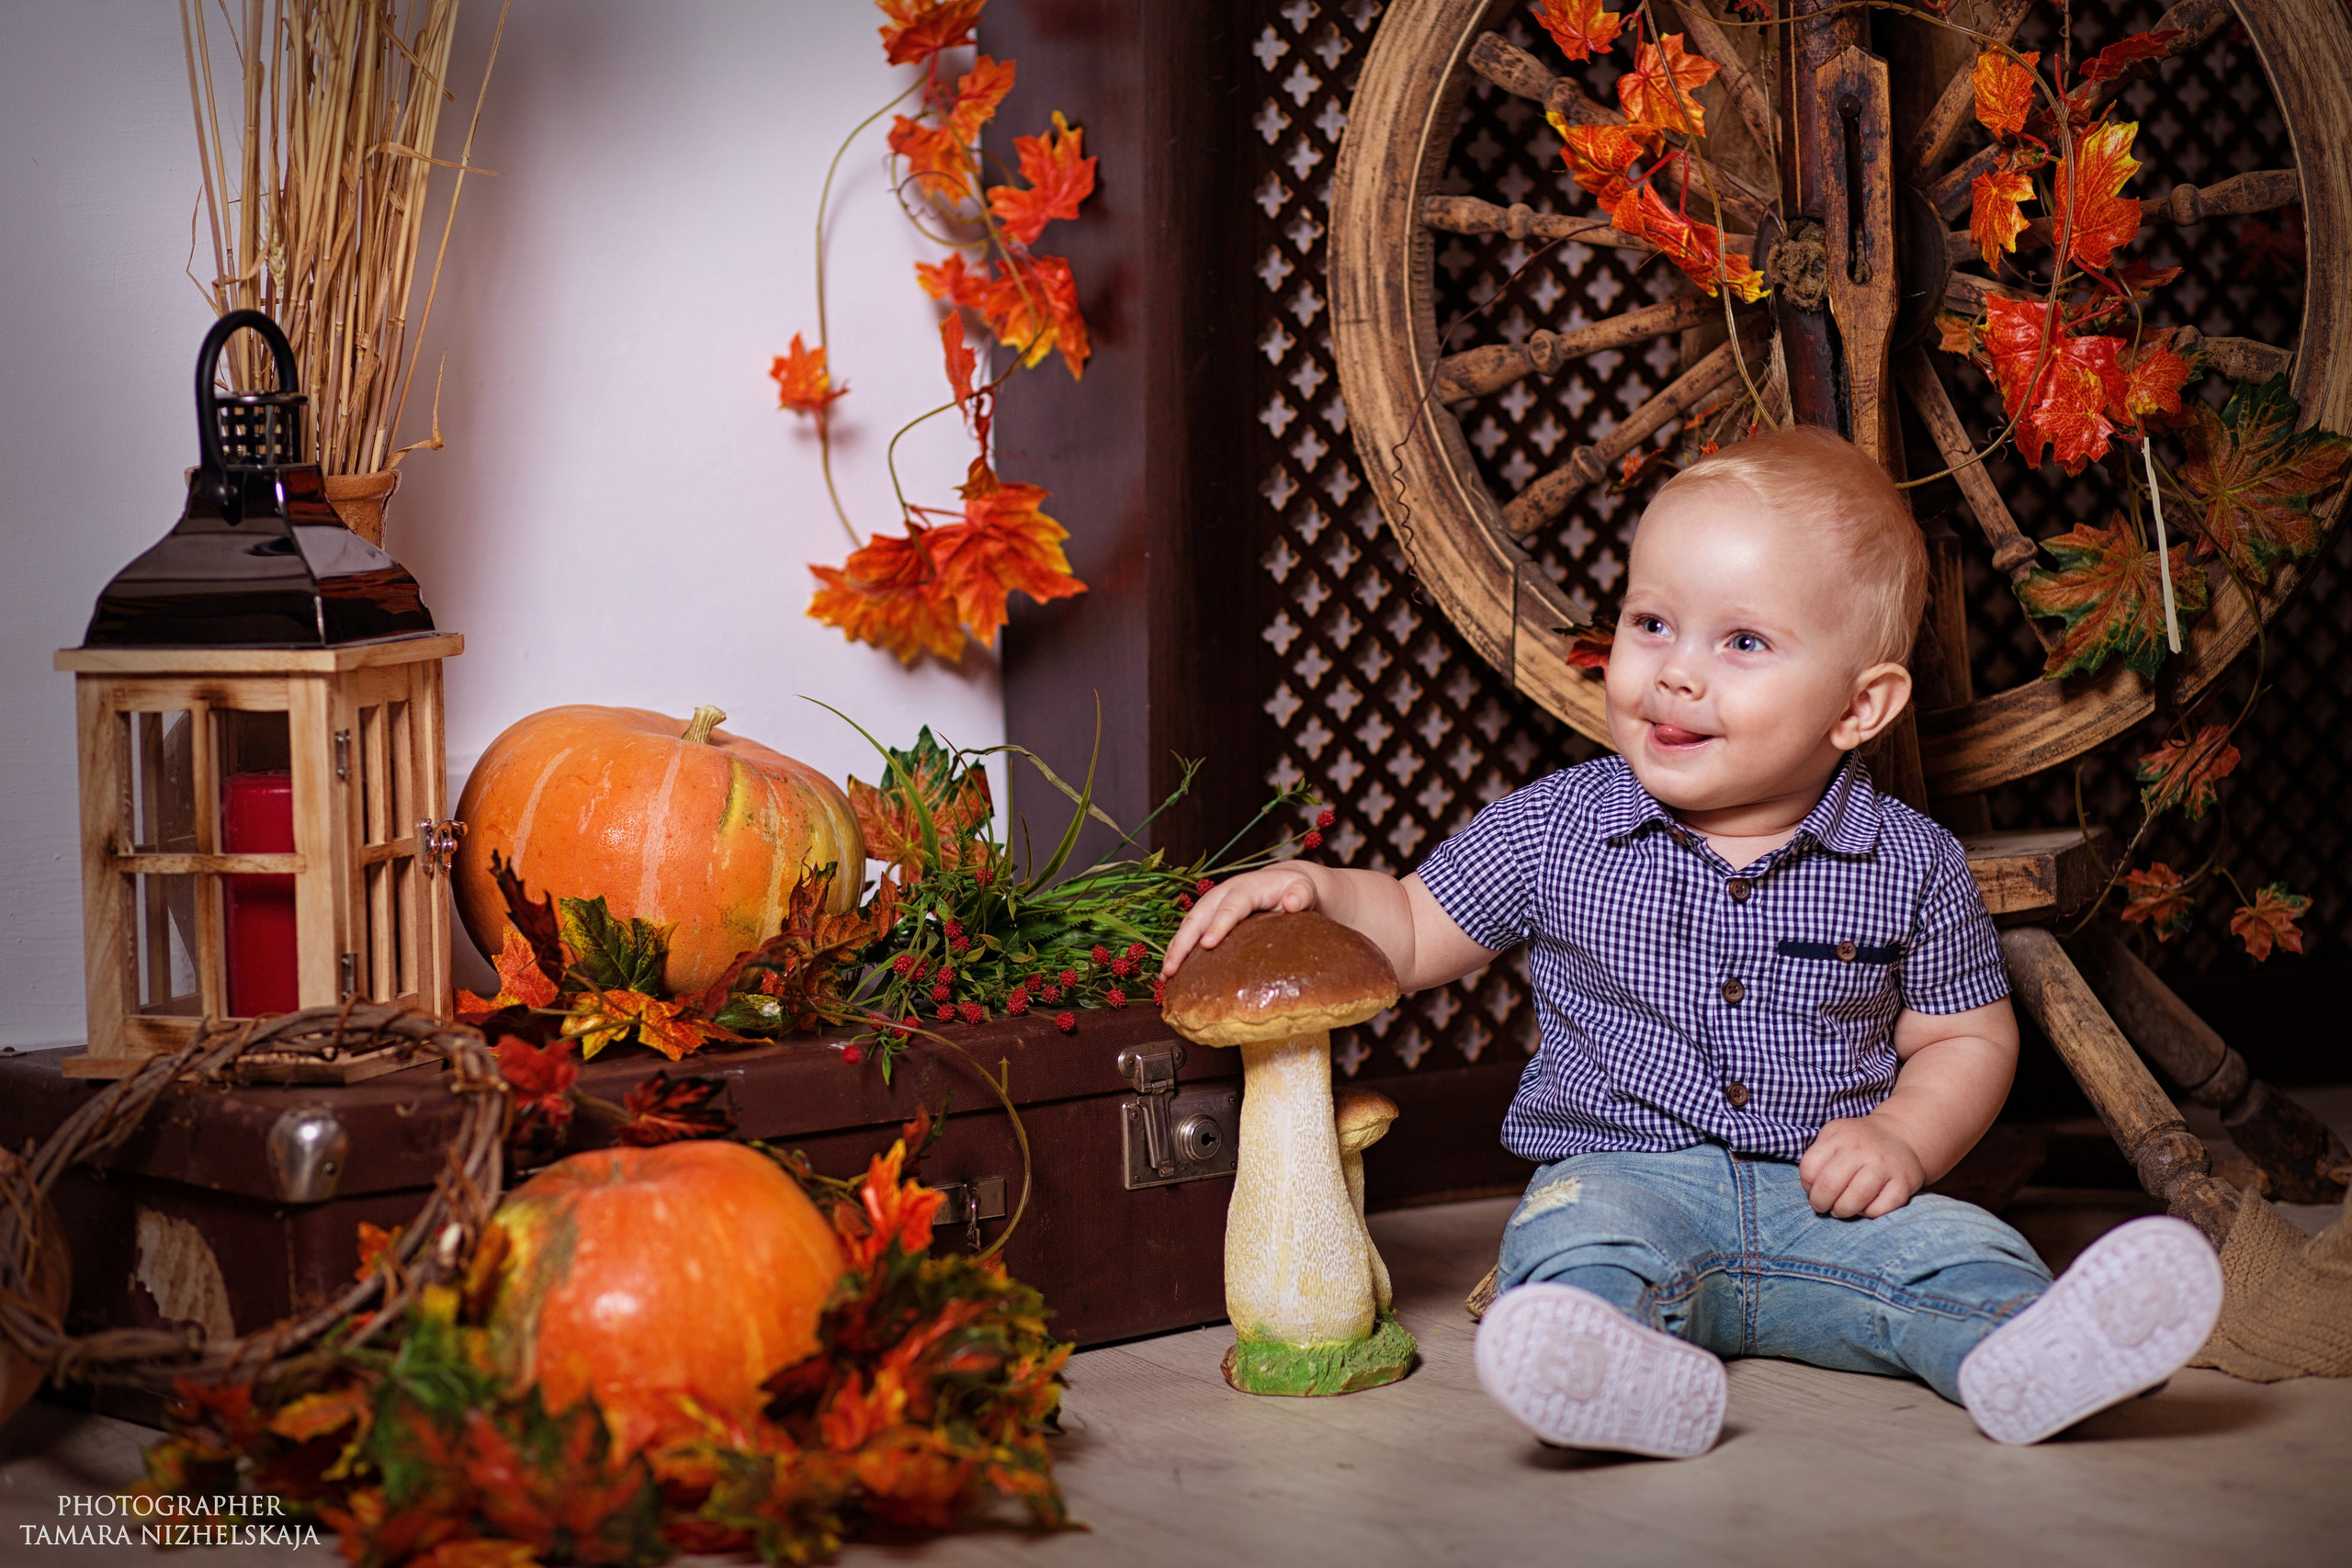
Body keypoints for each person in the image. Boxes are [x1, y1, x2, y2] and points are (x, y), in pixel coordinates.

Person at [1161, 424, 2222, 1458]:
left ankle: (2026, 1353)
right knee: (1570, 1251)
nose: (1674, 673)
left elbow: (1963, 1040)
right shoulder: (1554, 827)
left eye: (1743, 642)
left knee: (1959, 1253)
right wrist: (1317, 888)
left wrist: (1904, 1141)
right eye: (1651, 623)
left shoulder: (1911, 863)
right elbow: (1409, 923)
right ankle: (1612, 1374)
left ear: (1860, 707)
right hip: (1625, 1179)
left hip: (1827, 1203)